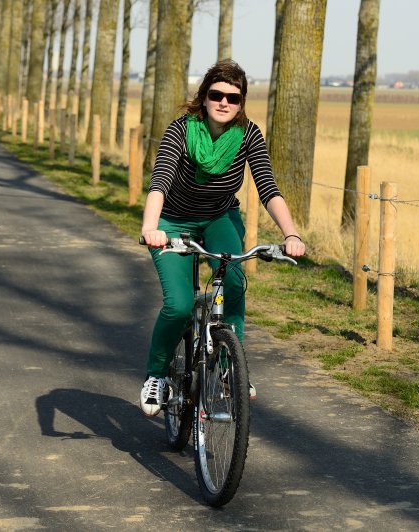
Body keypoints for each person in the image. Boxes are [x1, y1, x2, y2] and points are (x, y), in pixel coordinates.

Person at [139, 60, 306, 416]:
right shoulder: (181, 131)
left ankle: (231, 368)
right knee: (180, 303)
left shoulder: (248, 135)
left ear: (242, 101)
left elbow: (268, 188)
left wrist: (290, 233)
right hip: (171, 221)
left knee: (233, 281)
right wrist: (150, 227)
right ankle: (156, 376)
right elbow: (160, 182)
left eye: (233, 97)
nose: (224, 102)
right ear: (204, 97)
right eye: (217, 94)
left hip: (219, 217)